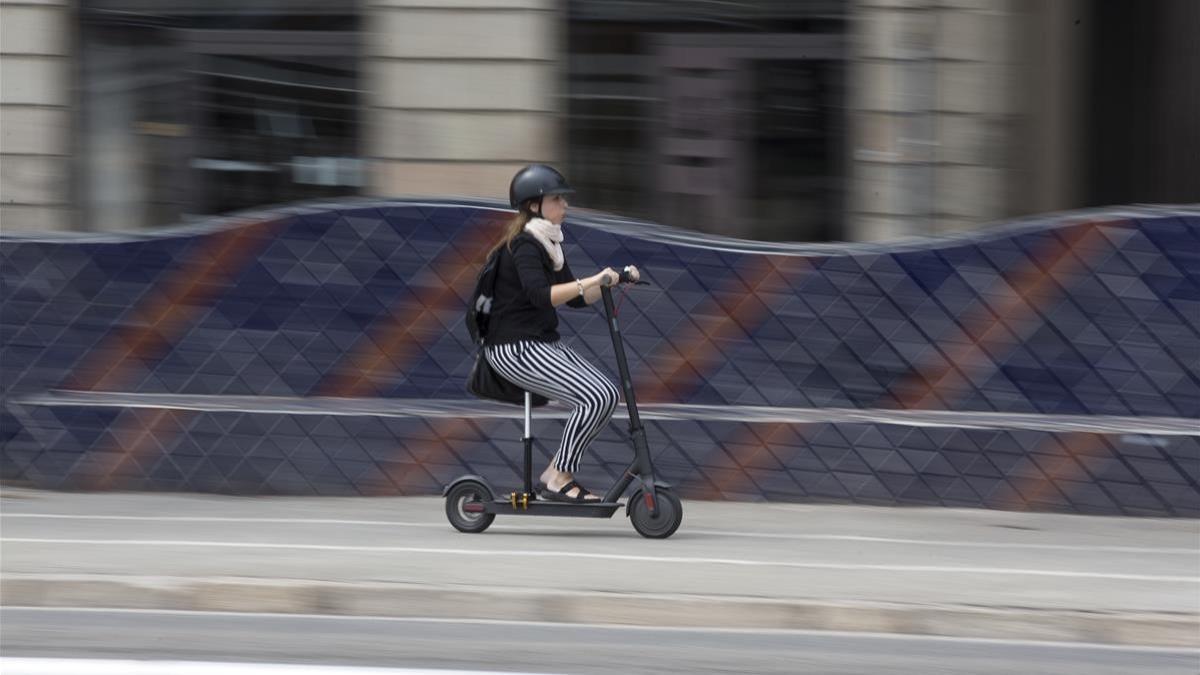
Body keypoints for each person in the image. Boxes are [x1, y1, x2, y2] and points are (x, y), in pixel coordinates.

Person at [482, 164, 639, 503]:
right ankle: (557, 476)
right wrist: (591, 280)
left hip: (541, 344)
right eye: (557, 199)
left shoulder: (549, 242)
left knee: (607, 394)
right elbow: (541, 295)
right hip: (515, 348)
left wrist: (611, 280)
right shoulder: (524, 245)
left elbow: (577, 299)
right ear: (534, 205)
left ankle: (557, 471)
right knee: (595, 397)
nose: (565, 206)